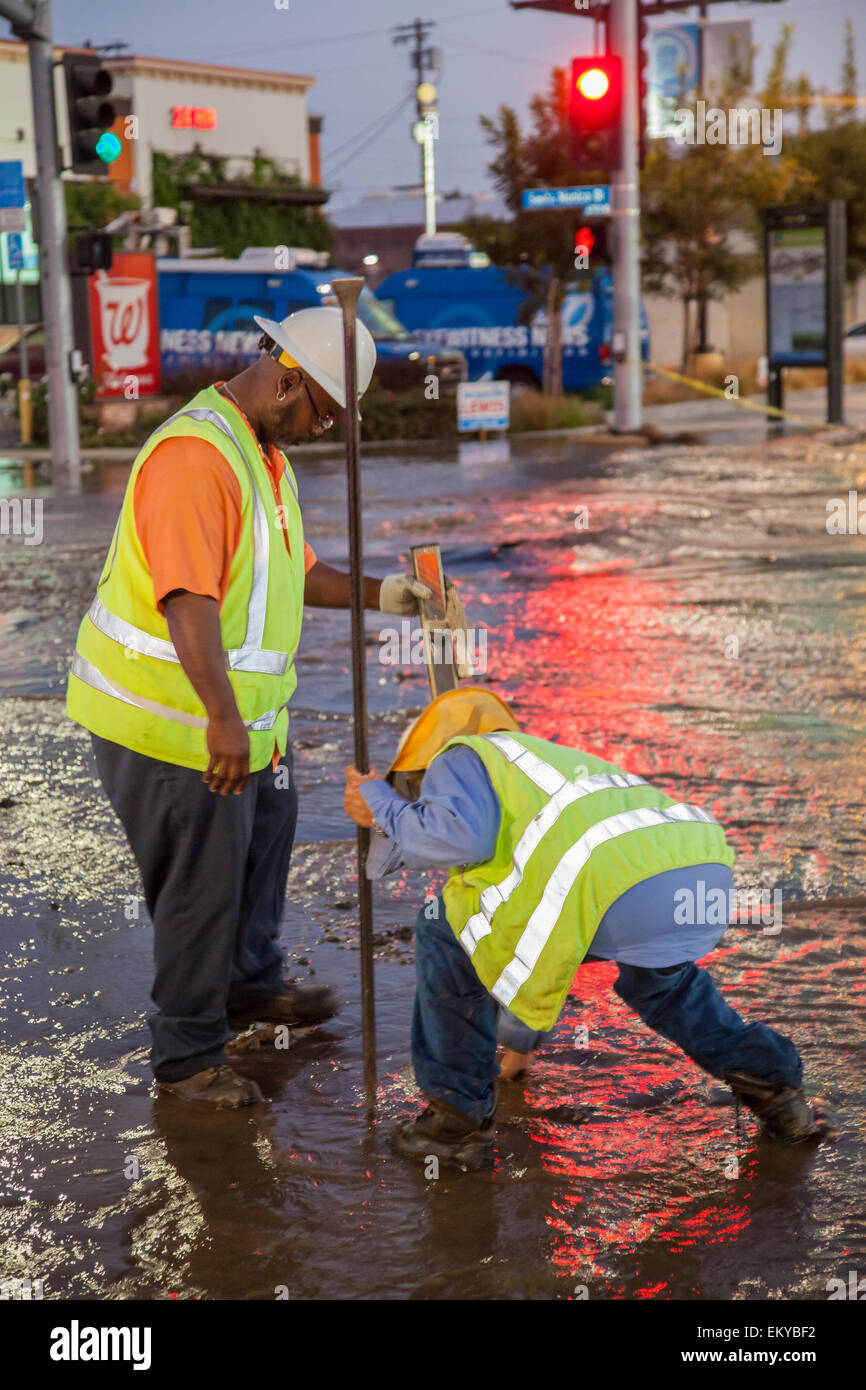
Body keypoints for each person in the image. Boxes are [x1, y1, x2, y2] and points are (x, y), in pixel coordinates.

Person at [66, 306, 465, 1110]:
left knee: (262, 855)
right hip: (173, 726)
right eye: (322, 408)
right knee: (200, 891)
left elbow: (294, 570)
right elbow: (189, 602)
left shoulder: (264, 455)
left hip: (248, 728)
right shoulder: (194, 456)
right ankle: (187, 1061)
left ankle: (249, 989)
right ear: (286, 379)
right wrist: (219, 717)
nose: (324, 426)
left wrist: (384, 595)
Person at [344, 688, 825, 1172]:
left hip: (608, 879)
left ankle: (455, 1124)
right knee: (665, 988)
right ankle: (779, 1093)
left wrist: (379, 801)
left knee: (441, 928)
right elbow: (540, 927)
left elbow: (457, 839)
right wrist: (520, 1040)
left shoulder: (462, 755)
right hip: (698, 869)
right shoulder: (542, 766)